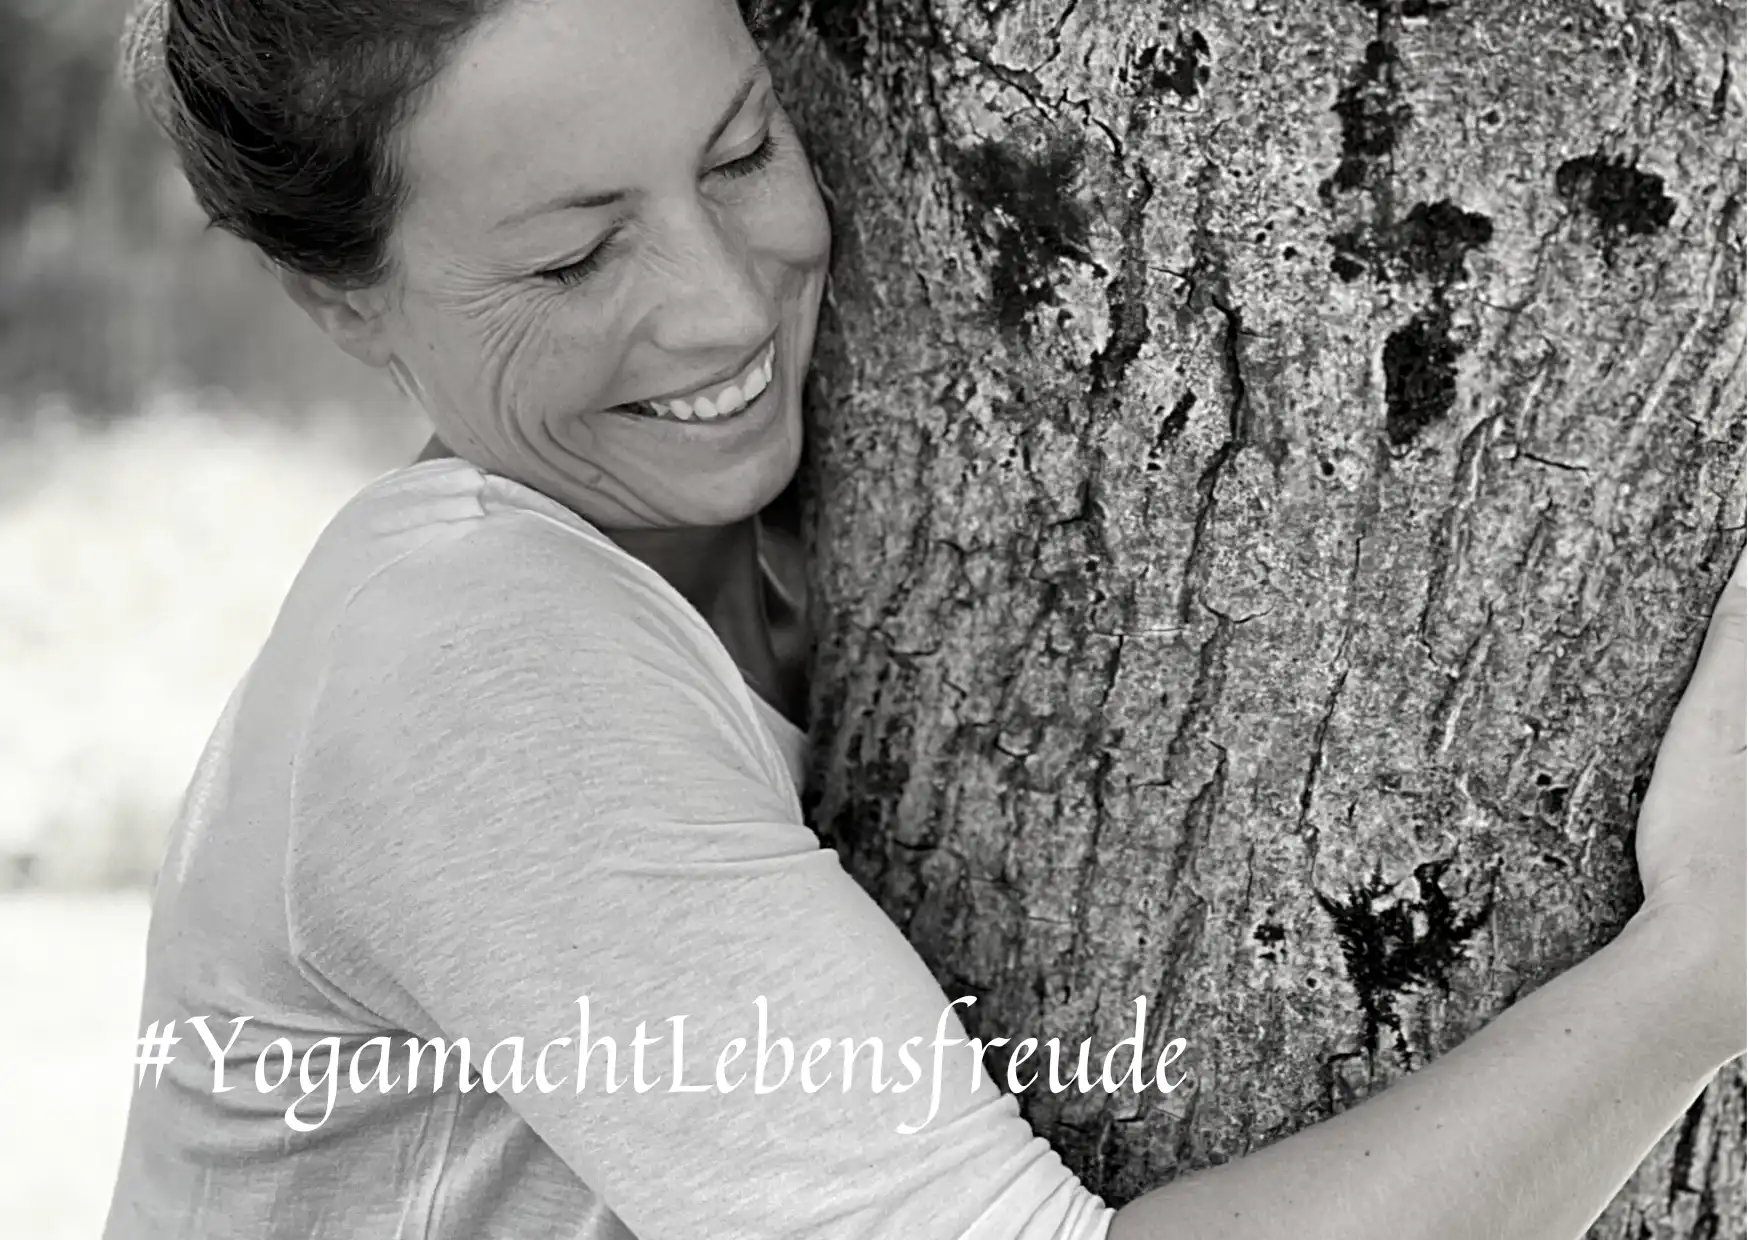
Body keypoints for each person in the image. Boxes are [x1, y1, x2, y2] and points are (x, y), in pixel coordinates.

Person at [106, 1, 1745, 1237]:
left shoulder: (759, 531)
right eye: (575, 259)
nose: (725, 302)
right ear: (338, 297)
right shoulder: (463, 659)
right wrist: (1704, 969)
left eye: (743, 152)